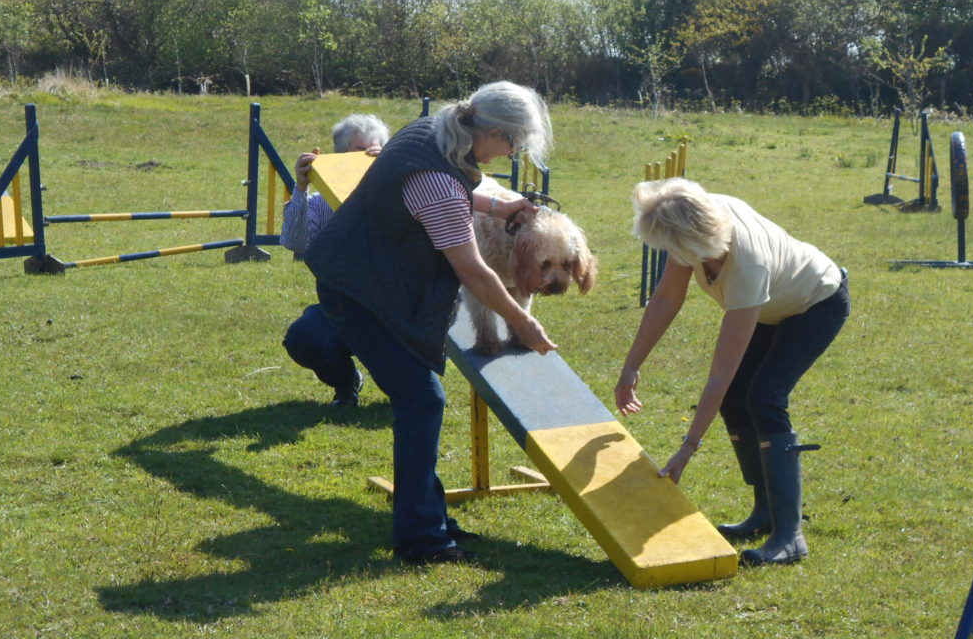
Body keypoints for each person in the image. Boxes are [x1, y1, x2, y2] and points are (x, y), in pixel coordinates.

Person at [304, 81, 557, 564]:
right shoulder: (439, 181)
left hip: (365, 275)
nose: (513, 153)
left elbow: (446, 191)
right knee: (422, 399)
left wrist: (496, 204)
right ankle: (420, 539)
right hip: (359, 291)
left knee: (421, 399)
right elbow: (473, 272)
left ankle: (428, 516)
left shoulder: (429, 131)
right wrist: (521, 322)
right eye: (515, 144)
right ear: (496, 133)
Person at [614, 177, 850, 566]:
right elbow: (667, 297)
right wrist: (631, 366)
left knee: (764, 396)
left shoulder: (747, 266)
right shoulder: (690, 220)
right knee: (738, 398)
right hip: (772, 304)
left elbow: (719, 375)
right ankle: (764, 512)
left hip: (816, 303)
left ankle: (789, 535)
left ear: (690, 243)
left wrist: (688, 447)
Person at [280, 114, 390, 406]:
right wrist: (301, 188)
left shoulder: (404, 194)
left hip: (398, 309)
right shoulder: (319, 203)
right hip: (342, 307)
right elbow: (294, 242)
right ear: (339, 157)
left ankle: (410, 387)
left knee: (404, 391)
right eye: (357, 152)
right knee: (304, 338)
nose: (366, 160)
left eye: (374, 152)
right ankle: (346, 385)